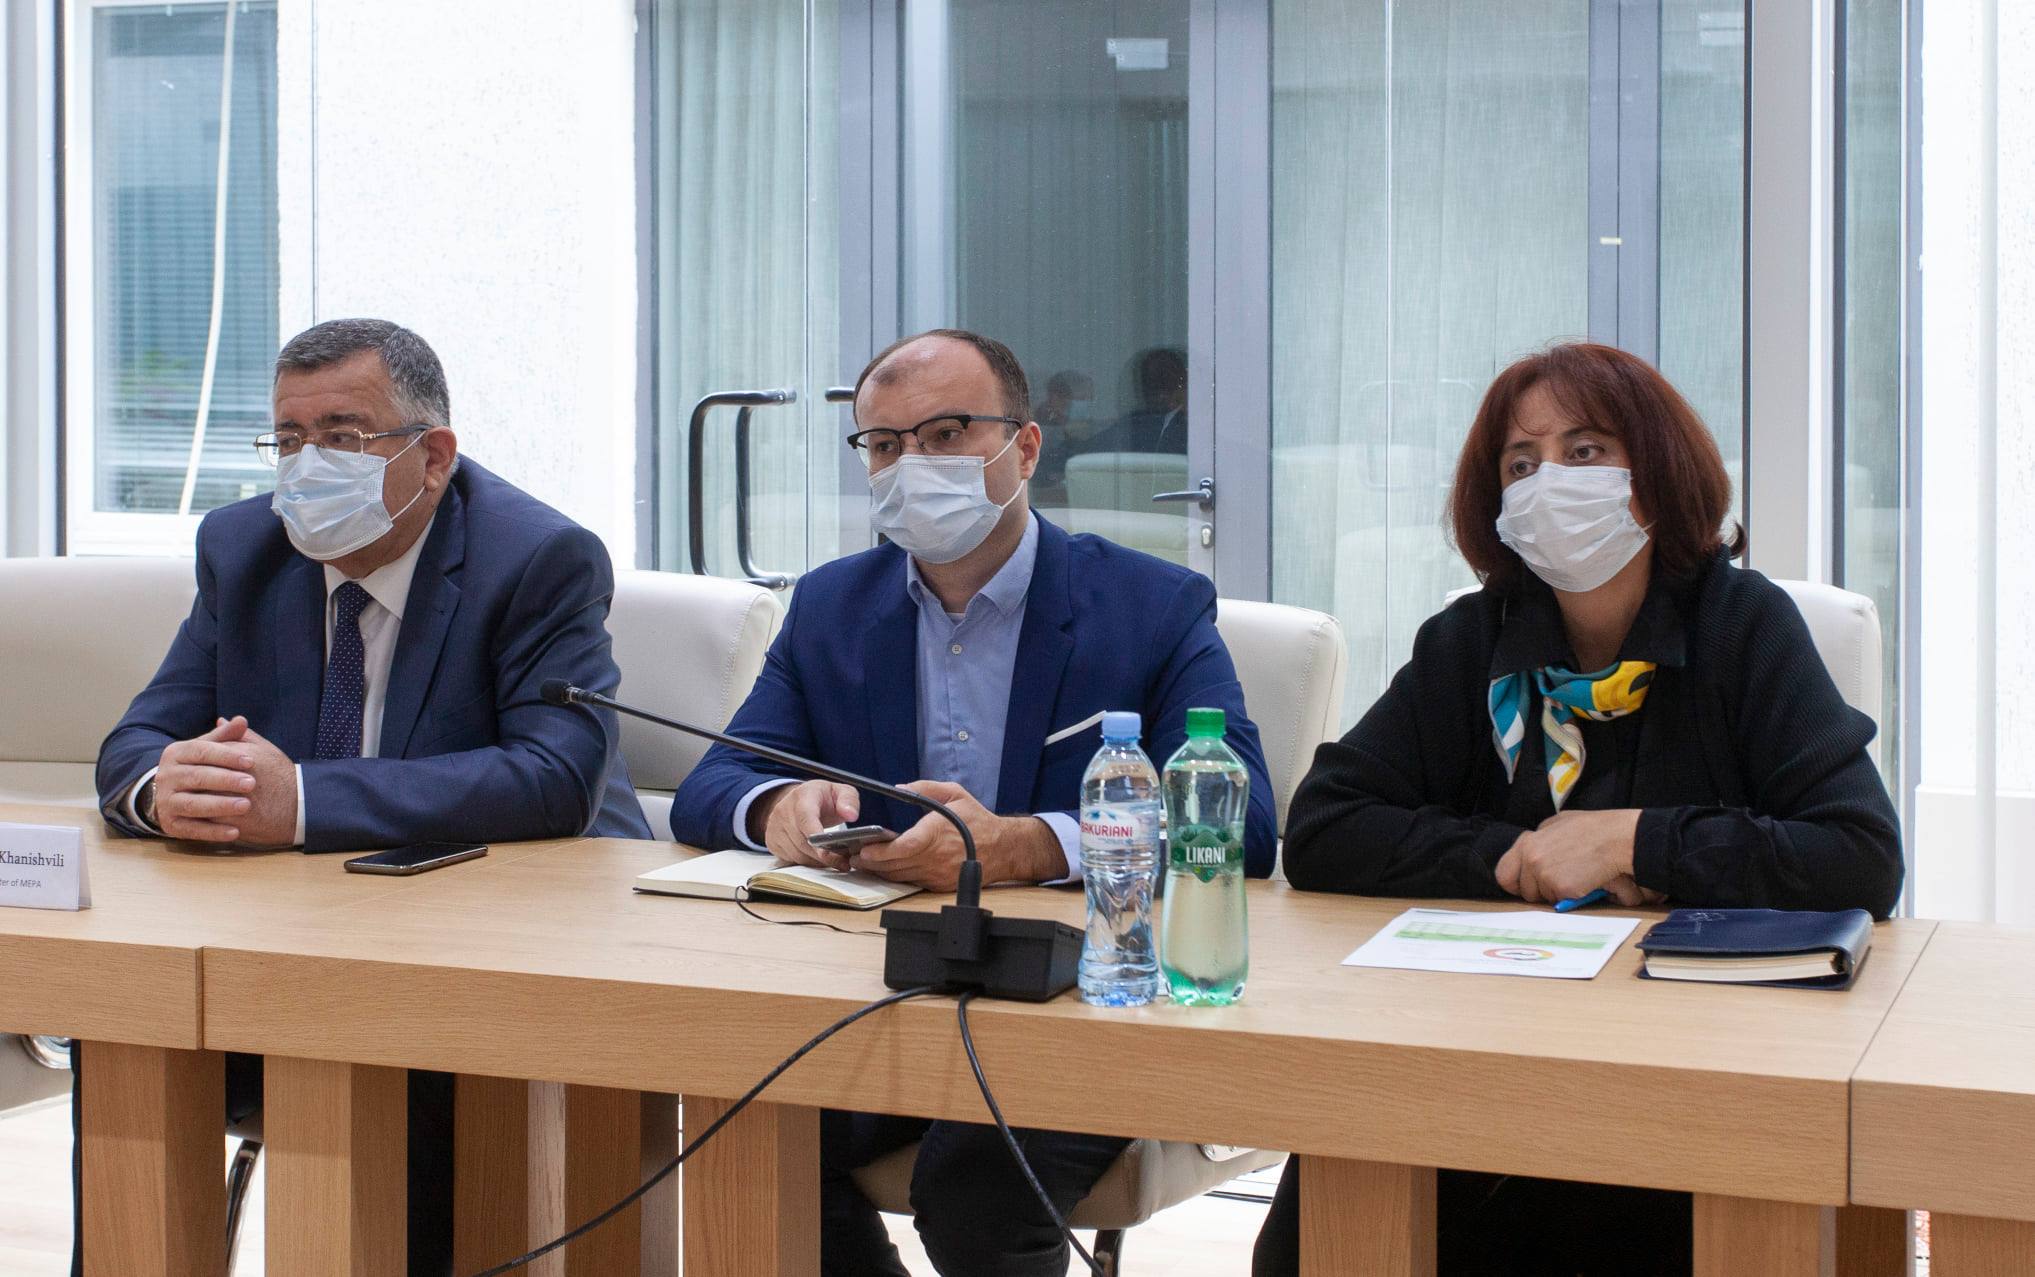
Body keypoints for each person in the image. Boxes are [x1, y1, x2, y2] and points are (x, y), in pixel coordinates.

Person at [1251, 342, 1903, 1276]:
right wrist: (1510, 855)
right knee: (1317, 1230)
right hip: (1475, 1056)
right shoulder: (1473, 638)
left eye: (1585, 451)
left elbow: (1858, 852)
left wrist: (1635, 839)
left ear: (1654, 475)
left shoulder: (1742, 626)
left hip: (1700, 1080)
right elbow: (1323, 826)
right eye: (1521, 464)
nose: (1549, 482)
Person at [670, 327, 1277, 1276]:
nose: (911, 465)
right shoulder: (831, 606)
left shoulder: (1150, 606)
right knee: (739, 1123)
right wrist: (778, 803)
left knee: (974, 1182)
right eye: (884, 444)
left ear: (1024, 448)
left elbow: (1244, 825)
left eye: (946, 434)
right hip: (888, 991)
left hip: (1085, 1001)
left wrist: (1027, 844)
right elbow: (712, 785)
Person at [85, 317, 651, 1277]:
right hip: (302, 945)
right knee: (124, 1035)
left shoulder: (538, 556)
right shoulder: (242, 547)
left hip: (505, 949)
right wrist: (162, 788)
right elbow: (136, 743)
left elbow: (555, 776)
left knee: (416, 1079)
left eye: (343, 437)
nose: (307, 467)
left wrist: (300, 799)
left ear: (433, 456)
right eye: (288, 439)